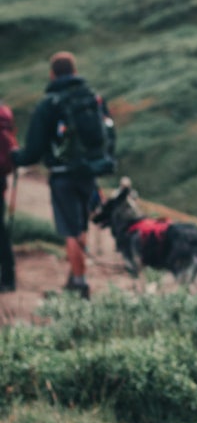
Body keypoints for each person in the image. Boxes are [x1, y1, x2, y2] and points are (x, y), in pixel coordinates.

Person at [11, 52, 111, 300]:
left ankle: (79, 284)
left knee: (70, 230)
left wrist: (15, 156)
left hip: (62, 176)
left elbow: (33, 150)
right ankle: (75, 275)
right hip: (89, 172)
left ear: (52, 74)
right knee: (82, 224)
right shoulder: (92, 98)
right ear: (75, 71)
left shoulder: (49, 104)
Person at [0, 101, 18, 292]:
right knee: (1, 231)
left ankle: (7, 279)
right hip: (0, 180)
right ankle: (8, 277)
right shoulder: (4, 114)